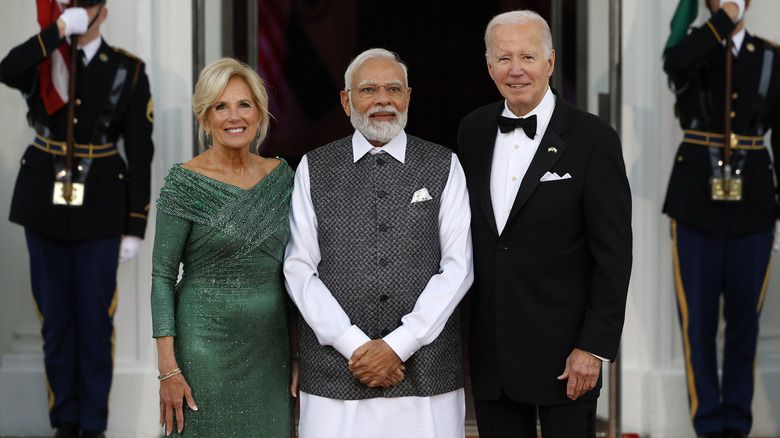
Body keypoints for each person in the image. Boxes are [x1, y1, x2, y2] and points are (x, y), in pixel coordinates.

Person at [457, 9, 632, 438]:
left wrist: (594, 346)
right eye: (503, 58)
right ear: (488, 64)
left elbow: (614, 254)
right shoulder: (473, 130)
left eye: (528, 57)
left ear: (550, 62)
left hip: (567, 355)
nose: (515, 70)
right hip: (492, 351)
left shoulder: (594, 139)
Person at [283, 48, 474, 438]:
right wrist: (354, 345)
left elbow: (458, 267)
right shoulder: (313, 167)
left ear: (408, 97)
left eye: (393, 89)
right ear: (345, 99)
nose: (383, 100)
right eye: (368, 89)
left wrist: (400, 345)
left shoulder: (444, 164)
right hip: (336, 372)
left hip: (426, 370)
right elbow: (299, 268)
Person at [0, 1, 153, 437]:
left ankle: (92, 426)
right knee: (56, 320)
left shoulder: (129, 70)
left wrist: (135, 224)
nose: (78, 12)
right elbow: (6, 69)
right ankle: (64, 422)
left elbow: (141, 154)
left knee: (93, 321)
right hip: (42, 204)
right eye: (68, 6)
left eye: (85, 5)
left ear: (102, 11)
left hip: (102, 210)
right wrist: (57, 32)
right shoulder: (44, 62)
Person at [150, 57, 297, 437]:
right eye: (221, 106)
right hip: (203, 349)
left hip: (271, 350)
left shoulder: (282, 178)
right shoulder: (184, 183)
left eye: (244, 104)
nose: (235, 116)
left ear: (260, 113)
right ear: (204, 119)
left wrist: (299, 352)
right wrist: (168, 368)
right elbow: (162, 276)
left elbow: (298, 271)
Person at [662, 1, 780, 437]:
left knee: (745, 322)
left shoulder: (770, 55)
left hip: (754, 204)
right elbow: (674, 62)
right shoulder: (694, 47)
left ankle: (738, 425)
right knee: (699, 323)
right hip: (695, 204)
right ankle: (708, 426)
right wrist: (719, 22)